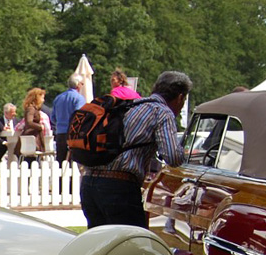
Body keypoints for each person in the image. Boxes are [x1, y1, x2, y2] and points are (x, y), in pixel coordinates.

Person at [80, 71, 191, 229]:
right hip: (118, 188)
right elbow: (173, 157)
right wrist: (184, 153)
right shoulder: (162, 112)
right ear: (180, 97)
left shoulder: (129, 105)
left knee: (102, 248)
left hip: (89, 184)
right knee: (132, 246)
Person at [52, 73, 86, 164]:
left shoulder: (58, 98)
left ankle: (59, 178)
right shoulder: (79, 98)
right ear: (78, 84)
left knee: (60, 160)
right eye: (82, 84)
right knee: (73, 161)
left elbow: (53, 118)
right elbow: (79, 117)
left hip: (60, 133)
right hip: (73, 133)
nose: (82, 86)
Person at [14, 87, 47, 158]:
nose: (43, 100)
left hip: (31, 134)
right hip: (31, 135)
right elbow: (29, 122)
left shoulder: (32, 108)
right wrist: (40, 126)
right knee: (31, 157)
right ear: (37, 98)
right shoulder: (31, 109)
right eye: (42, 98)